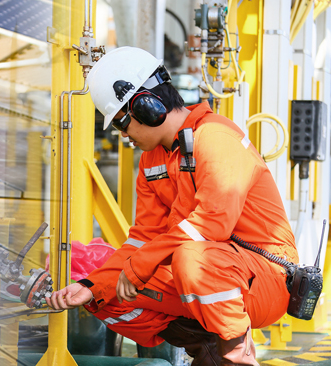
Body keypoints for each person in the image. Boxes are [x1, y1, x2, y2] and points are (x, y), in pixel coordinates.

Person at [46, 47, 298, 366]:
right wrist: (90, 285)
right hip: (205, 273)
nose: (124, 137)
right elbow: (141, 239)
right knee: (106, 293)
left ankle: (238, 358)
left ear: (147, 108)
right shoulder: (152, 161)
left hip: (264, 279)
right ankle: (209, 354)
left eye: (122, 125)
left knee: (190, 258)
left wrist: (140, 267)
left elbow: (212, 224)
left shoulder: (216, 137)